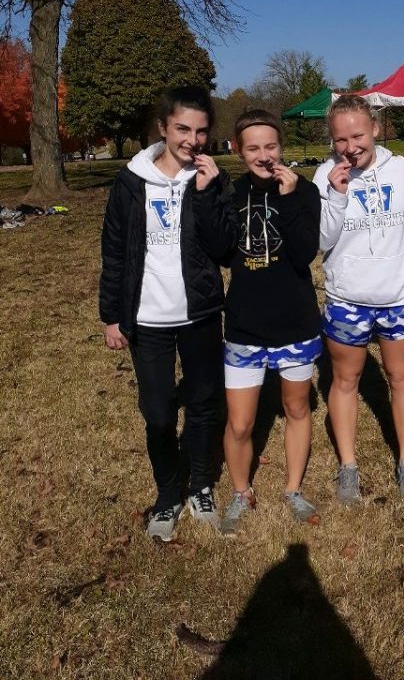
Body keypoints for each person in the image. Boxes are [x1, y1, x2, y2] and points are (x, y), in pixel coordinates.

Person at [100, 86, 238, 542]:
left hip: (198, 313)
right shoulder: (131, 181)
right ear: (164, 127)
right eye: (183, 128)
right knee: (158, 413)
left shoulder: (212, 179)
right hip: (147, 319)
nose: (192, 140)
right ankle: (167, 494)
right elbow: (115, 251)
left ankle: (199, 486)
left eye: (200, 131)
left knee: (201, 406)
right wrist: (111, 316)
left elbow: (225, 250)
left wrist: (206, 192)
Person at [195, 110, 322, 533]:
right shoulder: (232, 193)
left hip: (295, 323)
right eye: (253, 148)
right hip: (246, 325)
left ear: (281, 147)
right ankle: (239, 490)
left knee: (296, 407)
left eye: (270, 146)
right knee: (240, 422)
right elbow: (217, 251)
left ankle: (292, 490)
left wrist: (286, 199)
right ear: (238, 150)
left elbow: (305, 253)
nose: (264, 155)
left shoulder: (304, 192)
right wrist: (207, 194)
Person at [312, 95, 404, 503]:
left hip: (396, 296)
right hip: (347, 298)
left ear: (375, 129)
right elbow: (319, 241)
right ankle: (348, 465)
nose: (350, 146)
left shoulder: (398, 170)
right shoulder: (325, 175)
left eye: (358, 135)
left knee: (402, 378)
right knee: (345, 381)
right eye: (340, 139)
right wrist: (338, 195)